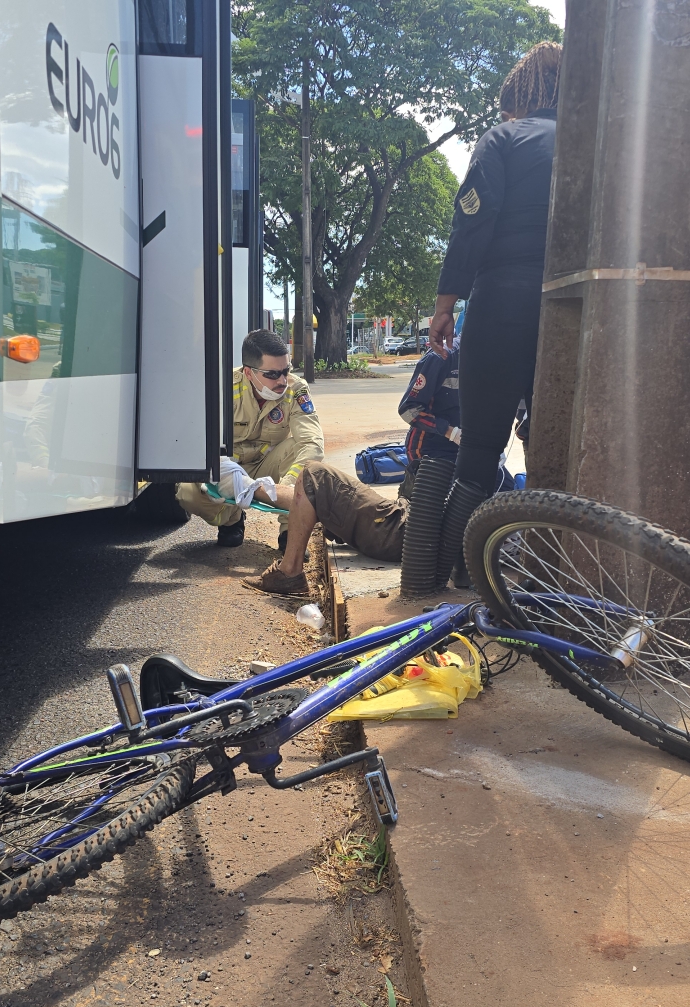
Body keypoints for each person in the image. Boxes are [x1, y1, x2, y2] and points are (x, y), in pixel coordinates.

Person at [427, 41, 561, 586]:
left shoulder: (505, 138)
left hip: (504, 299)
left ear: (518, 101)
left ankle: (455, 569)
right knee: (551, 440)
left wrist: (445, 302)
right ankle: (548, 565)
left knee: (481, 442)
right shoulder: (600, 142)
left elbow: (473, 222)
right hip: (576, 310)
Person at [176, 329, 324, 547]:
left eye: (286, 370)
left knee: (304, 452)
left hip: (267, 464)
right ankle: (232, 519)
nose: (282, 380)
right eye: (272, 374)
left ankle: (290, 533)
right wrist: (235, 482)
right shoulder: (222, 387)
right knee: (188, 493)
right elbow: (197, 441)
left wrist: (288, 489)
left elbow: (312, 443)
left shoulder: (296, 389)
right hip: (229, 468)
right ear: (248, 372)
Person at [244, 463, 408, 596]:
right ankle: (247, 487)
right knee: (313, 490)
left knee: (314, 474)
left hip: (399, 529)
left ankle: (289, 571)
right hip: (403, 521)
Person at [397, 335, 461, 495]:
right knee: (446, 505)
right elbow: (408, 411)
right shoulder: (441, 357)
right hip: (431, 447)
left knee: (503, 488)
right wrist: (451, 432)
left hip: (468, 446)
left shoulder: (490, 360)